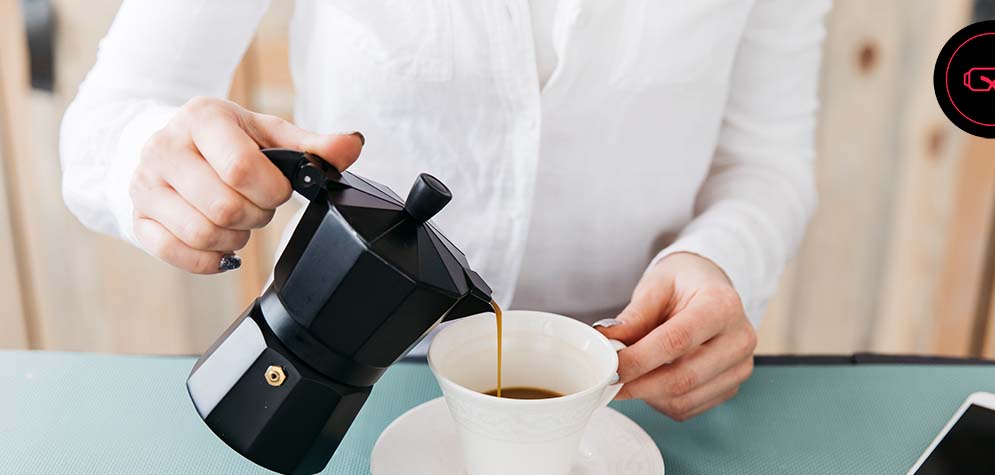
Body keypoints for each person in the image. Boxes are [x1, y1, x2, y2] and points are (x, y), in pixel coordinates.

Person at [60, 0, 829, 421]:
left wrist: (720, 260)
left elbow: (767, 160)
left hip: (633, 395)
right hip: (344, 393)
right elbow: (109, 117)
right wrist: (151, 160)